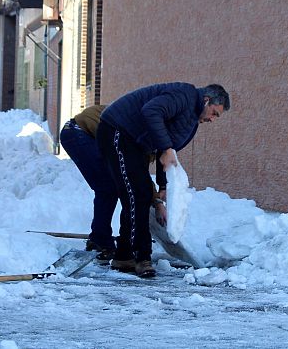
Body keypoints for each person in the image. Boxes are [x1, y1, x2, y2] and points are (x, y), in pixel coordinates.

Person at [96, 83, 230, 277]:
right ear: (207, 100)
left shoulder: (191, 120)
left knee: (140, 195)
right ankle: (141, 257)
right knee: (137, 195)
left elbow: (166, 151)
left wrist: (162, 188)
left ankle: (124, 256)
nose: (212, 119)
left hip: (136, 143)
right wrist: (167, 148)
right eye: (214, 113)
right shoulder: (184, 96)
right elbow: (151, 111)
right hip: (118, 131)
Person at [59, 105, 119, 262]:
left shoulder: (142, 127)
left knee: (108, 188)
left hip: (83, 132)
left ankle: (98, 237)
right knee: (107, 188)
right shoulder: (136, 132)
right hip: (77, 133)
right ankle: (100, 240)